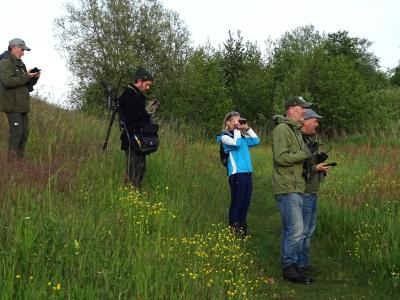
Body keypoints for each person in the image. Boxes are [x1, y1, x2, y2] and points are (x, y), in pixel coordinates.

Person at [271, 96, 313, 284]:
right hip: (287, 186)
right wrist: (304, 154)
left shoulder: (295, 131)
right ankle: (289, 268)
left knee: (294, 229)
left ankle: (293, 265)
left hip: (297, 185)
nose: (304, 111)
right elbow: (281, 157)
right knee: (295, 229)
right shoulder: (282, 129)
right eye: (301, 108)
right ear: (290, 109)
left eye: (305, 108)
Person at [298, 108, 331, 276]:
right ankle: (298, 265)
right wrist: (315, 168)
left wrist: (320, 165)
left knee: (309, 229)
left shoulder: (311, 139)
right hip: (304, 191)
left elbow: (308, 164)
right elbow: (298, 168)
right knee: (302, 230)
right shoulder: (298, 140)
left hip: (312, 190)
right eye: (315, 121)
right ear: (306, 121)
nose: (317, 124)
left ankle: (304, 263)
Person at [216, 112, 260, 237]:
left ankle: (242, 228)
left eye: (239, 120)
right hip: (236, 173)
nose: (237, 122)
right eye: (234, 120)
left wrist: (247, 129)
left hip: (247, 172)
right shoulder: (224, 137)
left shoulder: (241, 136)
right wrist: (236, 130)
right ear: (227, 123)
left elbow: (257, 140)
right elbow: (236, 144)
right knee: (237, 201)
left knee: (245, 202)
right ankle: (233, 229)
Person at [0, 38, 40, 160]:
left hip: (21, 105)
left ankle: (19, 162)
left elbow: (25, 85)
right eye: (22, 50)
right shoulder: (5, 62)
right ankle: (12, 163)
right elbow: (8, 82)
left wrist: (34, 78)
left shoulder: (20, 63)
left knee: (24, 134)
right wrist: (26, 76)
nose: (23, 53)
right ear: (14, 48)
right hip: (12, 105)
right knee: (17, 134)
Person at [118, 67, 157, 188]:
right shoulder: (129, 94)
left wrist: (148, 110)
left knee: (139, 171)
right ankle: (131, 197)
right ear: (139, 81)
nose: (148, 88)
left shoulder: (136, 94)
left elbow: (137, 114)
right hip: (132, 140)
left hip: (139, 141)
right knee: (134, 174)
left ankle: (133, 195)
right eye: (147, 84)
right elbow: (130, 118)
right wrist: (146, 110)